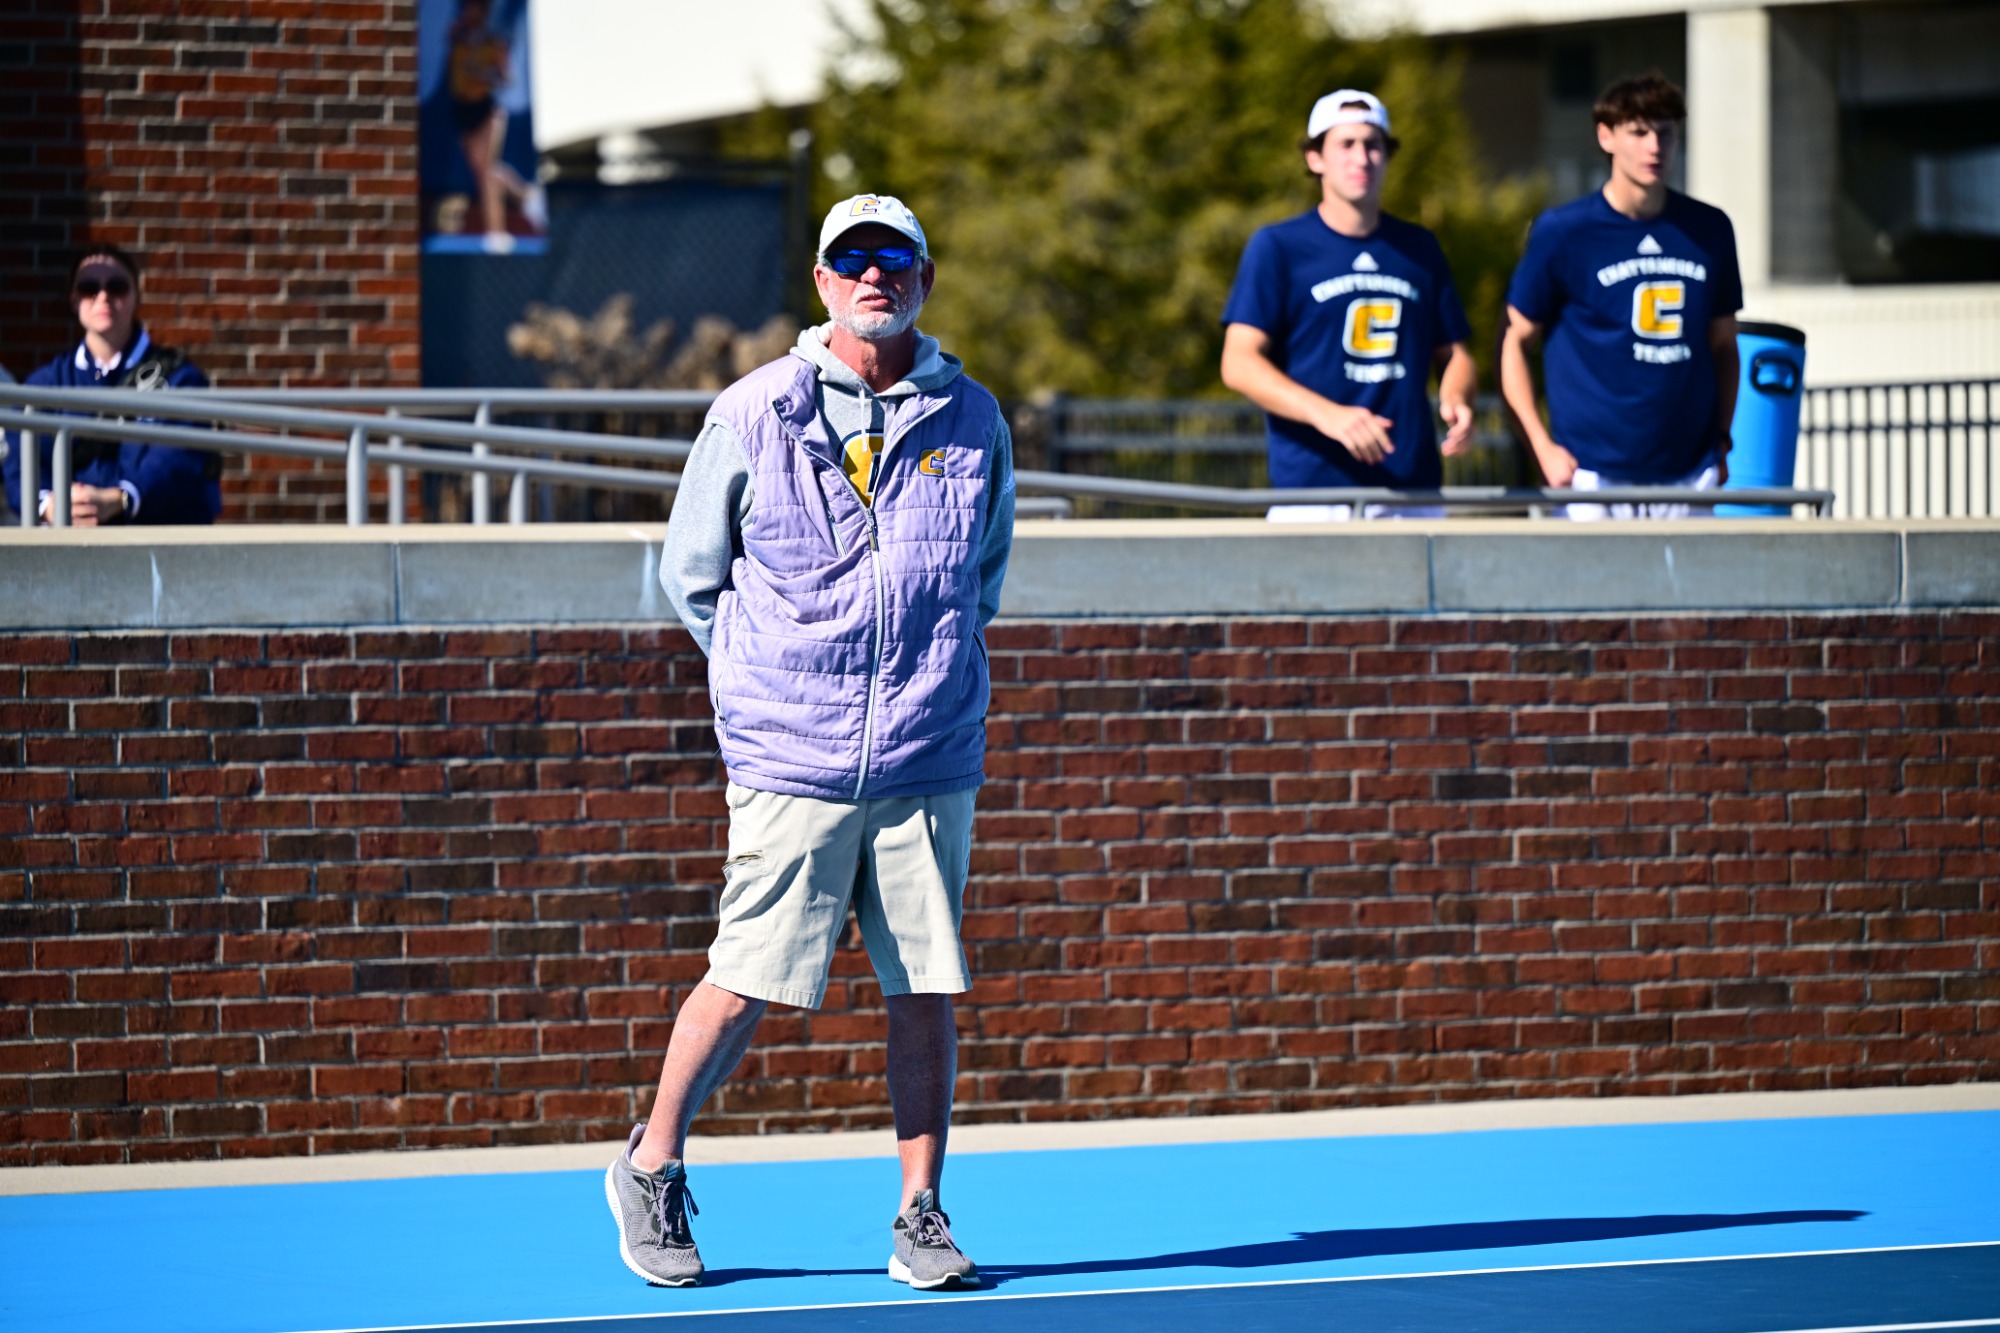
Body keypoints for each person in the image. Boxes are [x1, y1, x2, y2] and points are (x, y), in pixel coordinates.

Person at [609, 194, 1015, 1291]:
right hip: (793, 754)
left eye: (896, 259)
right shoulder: (752, 412)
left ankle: (919, 1212)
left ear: (923, 280)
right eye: (852, 259)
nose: (874, 275)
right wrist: (763, 682)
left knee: (922, 986)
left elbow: (981, 576)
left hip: (927, 752)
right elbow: (691, 579)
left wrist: (925, 679)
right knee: (746, 979)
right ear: (823, 283)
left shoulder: (974, 418)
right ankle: (649, 1163)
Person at [1220, 89, 1478, 521]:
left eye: (1373, 144)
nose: (1361, 158)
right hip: (1314, 492)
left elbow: (1455, 354)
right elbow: (1238, 362)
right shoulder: (1278, 246)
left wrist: (1457, 397)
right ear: (1315, 158)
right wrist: (1329, 416)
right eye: (1346, 144)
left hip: (1411, 489)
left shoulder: (1419, 247)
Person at [1498, 73, 1742, 520]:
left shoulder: (1710, 229)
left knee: (1698, 593)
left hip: (1689, 472)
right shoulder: (1564, 231)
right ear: (1605, 136)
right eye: (1639, 132)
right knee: (1591, 592)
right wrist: (1541, 446)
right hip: (1590, 475)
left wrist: (1722, 439)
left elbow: (1724, 343)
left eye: (1665, 132)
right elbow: (1514, 340)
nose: (1655, 146)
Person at [2, 245, 220, 526]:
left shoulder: (179, 378)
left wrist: (120, 498)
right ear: (74, 301)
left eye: (116, 287)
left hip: (155, 542)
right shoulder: (47, 382)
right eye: (89, 288)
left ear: (136, 297)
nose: (103, 297)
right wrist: (48, 505)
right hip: (72, 545)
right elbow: (21, 460)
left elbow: (178, 460)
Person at [447, 0, 543, 251]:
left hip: (488, 110)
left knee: (488, 172)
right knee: (483, 172)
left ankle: (497, 234)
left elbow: (506, 78)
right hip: (463, 111)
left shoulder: (494, 42)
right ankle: (526, 196)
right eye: (467, 8)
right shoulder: (458, 35)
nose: (470, 12)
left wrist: (483, 73)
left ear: (484, 11)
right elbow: (454, 73)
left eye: (475, 8)